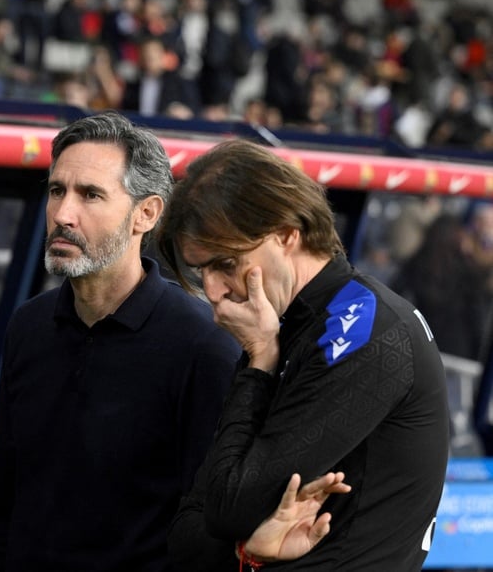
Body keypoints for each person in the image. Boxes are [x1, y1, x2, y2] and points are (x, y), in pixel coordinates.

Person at [158, 139, 449, 570]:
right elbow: (187, 535)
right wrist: (245, 547)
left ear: (286, 234)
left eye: (225, 264)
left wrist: (259, 359)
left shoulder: (363, 328)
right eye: (202, 273)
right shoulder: (285, 326)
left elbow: (228, 508)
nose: (215, 293)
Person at [0, 111, 242, 571]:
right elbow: (3, 498)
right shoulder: (29, 326)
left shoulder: (204, 346)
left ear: (146, 214)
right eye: (57, 191)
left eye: (91, 195)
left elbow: (209, 534)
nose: (62, 214)